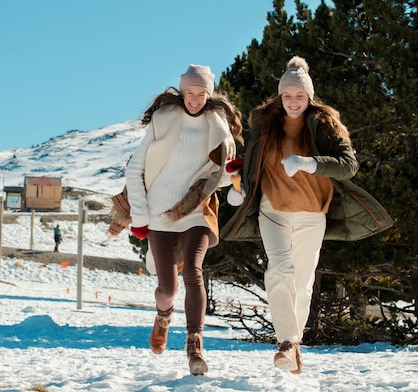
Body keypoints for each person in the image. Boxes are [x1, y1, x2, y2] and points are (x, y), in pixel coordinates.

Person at [220, 56, 393, 374]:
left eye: (299, 96)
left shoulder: (325, 125)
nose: (293, 102)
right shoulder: (265, 125)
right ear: (280, 96)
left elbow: (348, 165)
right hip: (273, 211)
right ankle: (286, 342)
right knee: (279, 270)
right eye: (287, 95)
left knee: (301, 281)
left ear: (309, 97)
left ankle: (294, 344)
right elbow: (252, 163)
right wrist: (238, 189)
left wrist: (309, 163)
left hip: (313, 213)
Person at [124, 64, 243, 376]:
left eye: (201, 94)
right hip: (160, 214)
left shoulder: (217, 125)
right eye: (190, 93)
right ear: (182, 92)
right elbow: (134, 170)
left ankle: (194, 346)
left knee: (194, 270)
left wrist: (231, 173)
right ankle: (163, 315)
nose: (195, 99)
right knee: (168, 288)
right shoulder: (163, 121)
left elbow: (218, 177)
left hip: (196, 211)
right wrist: (140, 217)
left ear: (209, 94)